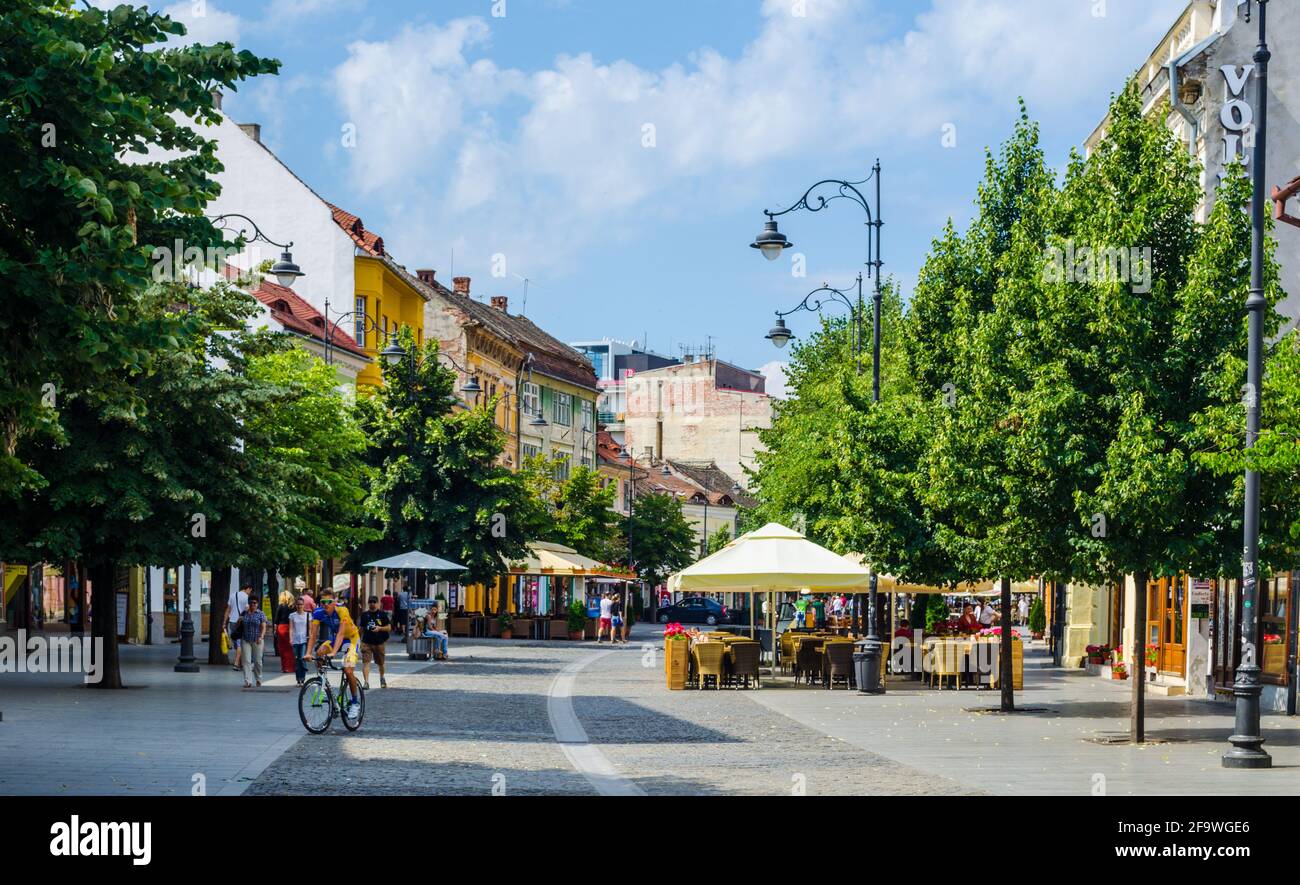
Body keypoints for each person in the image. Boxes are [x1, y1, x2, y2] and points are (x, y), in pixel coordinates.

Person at [306, 592, 362, 721]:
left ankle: (355, 702)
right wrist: (308, 652)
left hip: (351, 639)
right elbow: (313, 634)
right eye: (322, 602)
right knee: (319, 653)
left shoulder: (342, 610)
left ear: (334, 602)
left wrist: (333, 652)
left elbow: (342, 633)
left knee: (348, 669)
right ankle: (322, 685)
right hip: (335, 638)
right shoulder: (318, 613)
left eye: (328, 602)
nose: (325, 605)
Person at [359, 596, 391, 690]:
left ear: (377, 603)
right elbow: (361, 629)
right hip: (366, 642)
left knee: (381, 663)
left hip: (379, 642)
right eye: (370, 602)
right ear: (368, 603)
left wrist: (380, 628)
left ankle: (382, 678)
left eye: (374, 602)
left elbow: (389, 627)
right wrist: (356, 640)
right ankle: (366, 682)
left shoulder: (382, 614)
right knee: (366, 662)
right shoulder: (364, 615)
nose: (372, 604)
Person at [239, 594, 269, 689]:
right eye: (251, 603)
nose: (253, 604)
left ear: (258, 604)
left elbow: (264, 627)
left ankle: (258, 678)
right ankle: (248, 681)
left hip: (257, 640)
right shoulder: (244, 613)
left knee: (257, 661)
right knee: (246, 661)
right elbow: (238, 626)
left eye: (255, 603)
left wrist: (261, 636)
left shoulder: (261, 614)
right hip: (245, 639)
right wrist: (239, 621)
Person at [227, 582, 250, 670]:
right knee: (240, 643)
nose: (249, 593)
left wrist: (224, 622)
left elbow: (228, 609)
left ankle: (239, 663)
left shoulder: (233, 595)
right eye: (250, 591)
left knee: (237, 643)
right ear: (248, 589)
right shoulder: (246, 597)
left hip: (232, 621)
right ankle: (236, 663)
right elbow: (247, 609)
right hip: (241, 622)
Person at [289, 596, 310, 685]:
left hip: (304, 640)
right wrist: (290, 638)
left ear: (303, 605)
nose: (299, 606)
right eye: (298, 604)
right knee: (297, 660)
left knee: (301, 658)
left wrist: (311, 638)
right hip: (295, 640)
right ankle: (299, 679)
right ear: (295, 605)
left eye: (301, 604)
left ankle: (303, 674)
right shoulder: (292, 615)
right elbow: (291, 628)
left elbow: (310, 629)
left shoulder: (308, 615)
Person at [274, 590, 295, 673]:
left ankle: (285, 667)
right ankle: (291, 667)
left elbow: (276, 620)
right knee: (290, 648)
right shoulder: (293, 607)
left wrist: (275, 630)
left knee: (282, 649)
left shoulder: (280, 606)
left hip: (282, 628)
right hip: (291, 627)